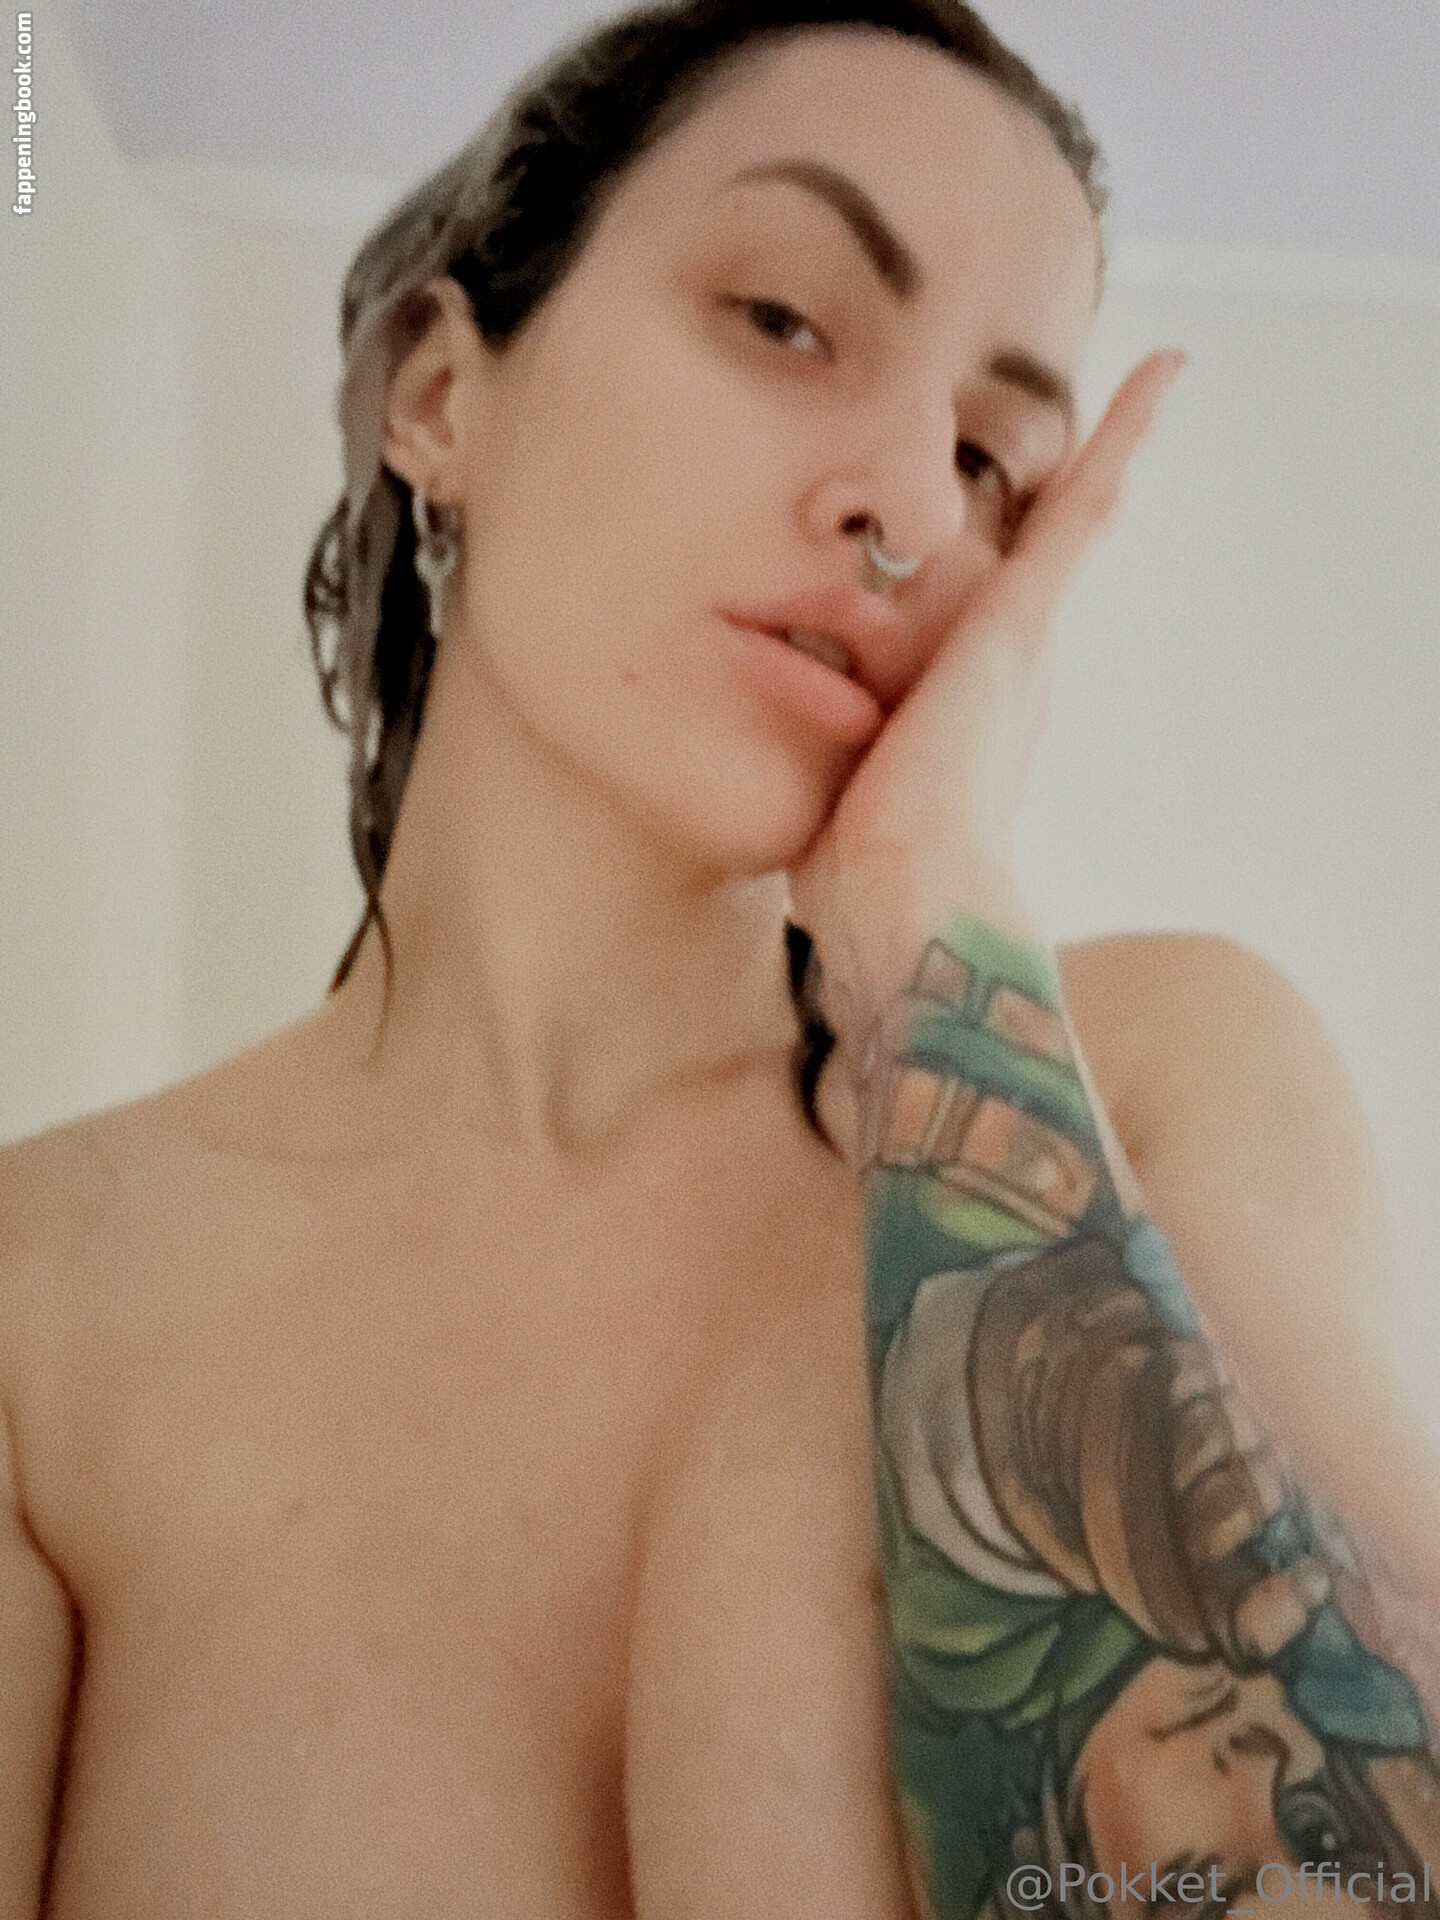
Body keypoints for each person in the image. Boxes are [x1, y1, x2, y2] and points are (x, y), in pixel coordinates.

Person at [1, 1, 1436, 1916]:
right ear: (440, 393)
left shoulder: (1156, 1077)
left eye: (992, 457)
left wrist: (924, 904)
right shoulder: (49, 1301)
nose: (908, 505)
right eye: (783, 318)